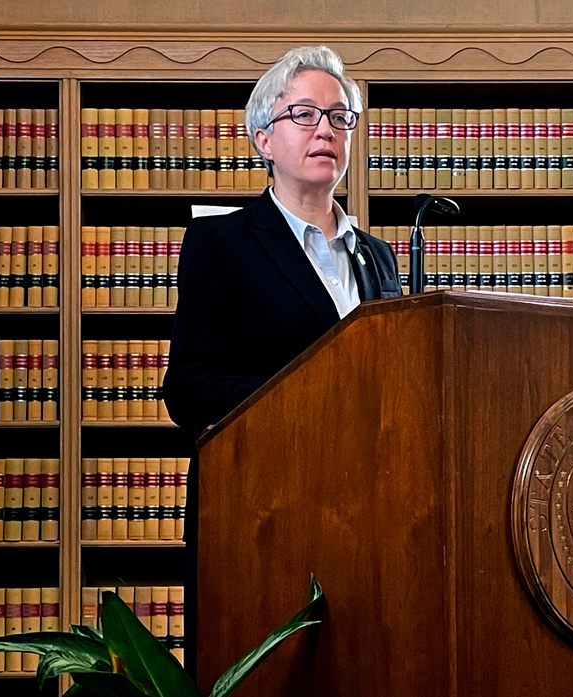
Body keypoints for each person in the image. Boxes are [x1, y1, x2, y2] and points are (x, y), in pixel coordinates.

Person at [162, 44, 403, 677]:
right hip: (265, 522)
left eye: (340, 116)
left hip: (375, 520)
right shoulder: (221, 244)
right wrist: (313, 391)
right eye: (305, 114)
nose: (326, 128)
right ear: (264, 139)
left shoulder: (379, 259)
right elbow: (188, 390)